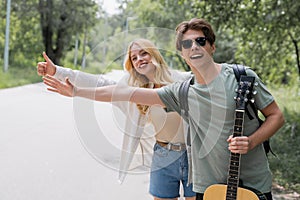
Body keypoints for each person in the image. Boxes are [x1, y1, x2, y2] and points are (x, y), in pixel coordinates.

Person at [42, 18, 284, 200]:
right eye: (187, 44)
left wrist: (251, 141)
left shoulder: (211, 80)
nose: (194, 47)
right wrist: (71, 85)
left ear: (211, 46)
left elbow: (274, 115)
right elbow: (115, 89)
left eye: (201, 41)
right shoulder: (170, 91)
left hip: (224, 171)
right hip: (184, 170)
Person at [37, 38, 196, 200]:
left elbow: (213, 85)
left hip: (193, 157)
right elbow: (98, 83)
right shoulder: (134, 90)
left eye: (144, 53)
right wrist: (57, 71)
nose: (139, 59)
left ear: (154, 54)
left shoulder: (182, 80)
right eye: (134, 58)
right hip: (163, 157)